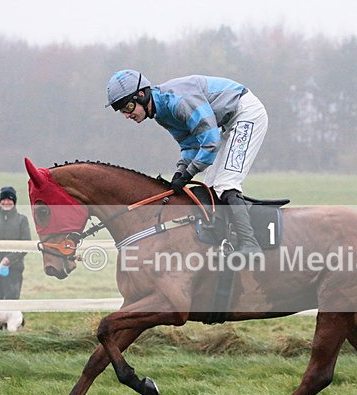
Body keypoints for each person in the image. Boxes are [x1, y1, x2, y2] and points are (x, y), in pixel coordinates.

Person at [105, 69, 267, 256]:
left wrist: (189, 173)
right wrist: (180, 172)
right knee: (211, 187)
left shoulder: (179, 101)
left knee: (226, 184)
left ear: (141, 95)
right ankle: (227, 241)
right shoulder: (161, 113)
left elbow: (210, 142)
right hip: (227, 123)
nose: (127, 115)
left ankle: (250, 244)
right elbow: (190, 145)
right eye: (122, 112)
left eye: (128, 108)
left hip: (246, 113)